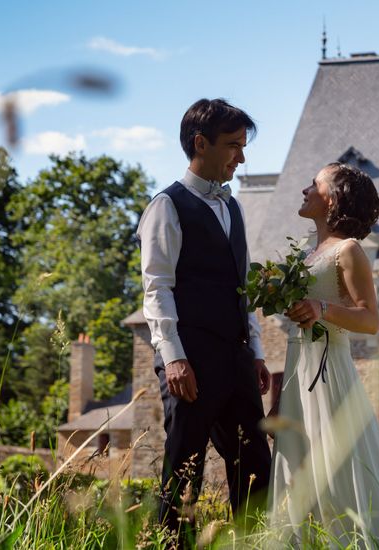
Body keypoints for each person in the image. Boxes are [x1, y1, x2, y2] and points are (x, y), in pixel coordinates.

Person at [268, 163, 379, 548]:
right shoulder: (311, 251)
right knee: (300, 459)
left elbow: (370, 320)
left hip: (327, 371)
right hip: (298, 366)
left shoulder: (349, 250)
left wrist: (320, 310)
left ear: (332, 198)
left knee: (338, 462)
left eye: (314, 184)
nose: (304, 189)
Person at [137, 98, 272, 545]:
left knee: (255, 467)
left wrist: (255, 352)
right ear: (201, 143)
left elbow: (242, 287)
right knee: (183, 472)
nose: (242, 156)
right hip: (189, 361)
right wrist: (173, 358)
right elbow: (157, 288)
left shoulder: (233, 208)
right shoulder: (166, 206)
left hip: (235, 360)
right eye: (233, 146)